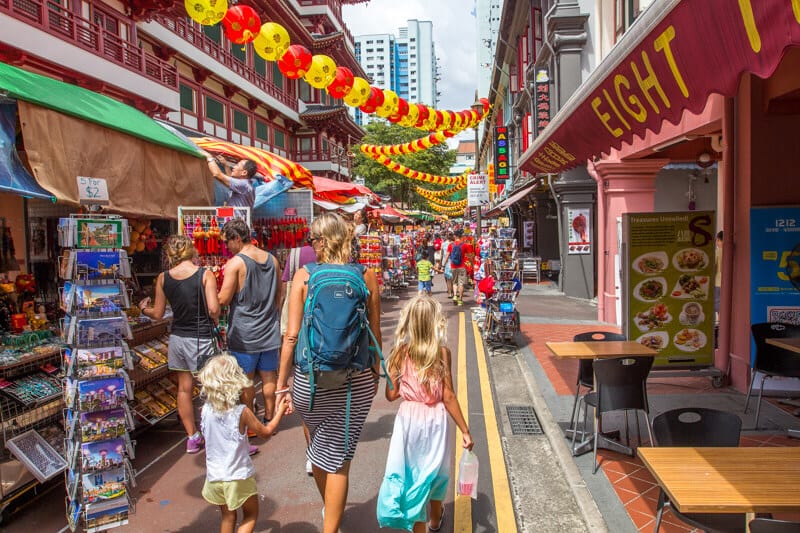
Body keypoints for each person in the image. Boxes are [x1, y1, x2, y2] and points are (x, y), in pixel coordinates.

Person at [277, 212, 381, 533]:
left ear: (320, 242)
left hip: (310, 379)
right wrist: (375, 375)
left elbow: (291, 336)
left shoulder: (304, 277)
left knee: (319, 451)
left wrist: (281, 384)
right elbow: (375, 332)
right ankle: (331, 522)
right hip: (356, 380)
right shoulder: (366, 276)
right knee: (338, 456)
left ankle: (330, 517)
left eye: (312, 239)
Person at [376, 295, 473, 532]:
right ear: (434, 323)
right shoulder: (442, 353)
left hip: (408, 422)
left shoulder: (400, 352)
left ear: (408, 322)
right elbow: (448, 395)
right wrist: (465, 430)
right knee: (436, 472)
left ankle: (419, 524)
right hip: (436, 421)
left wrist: (397, 378)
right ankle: (435, 520)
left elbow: (391, 395)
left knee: (414, 480)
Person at [138, 235, 219, 454]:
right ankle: (217, 434)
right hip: (200, 338)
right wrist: (217, 316)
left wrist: (142, 308)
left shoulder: (163, 278)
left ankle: (192, 437)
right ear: (191, 251)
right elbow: (213, 308)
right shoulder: (205, 275)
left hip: (177, 339)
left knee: (184, 388)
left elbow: (157, 313)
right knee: (212, 387)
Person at [197, 355, 286, 533]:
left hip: (215, 476)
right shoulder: (241, 412)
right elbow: (265, 432)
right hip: (237, 475)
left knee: (228, 517)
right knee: (251, 514)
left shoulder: (205, 410)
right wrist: (280, 412)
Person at [218, 219, 283, 432]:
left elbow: (224, 299)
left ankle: (251, 422)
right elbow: (278, 296)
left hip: (245, 333)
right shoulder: (272, 260)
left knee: (245, 380)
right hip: (269, 329)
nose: (226, 247)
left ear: (237, 238)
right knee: (268, 375)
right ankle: (270, 416)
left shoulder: (236, 263)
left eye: (227, 242)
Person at [280, 238, 317, 475]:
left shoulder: (295, 259)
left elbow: (291, 335)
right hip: (333, 350)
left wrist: (282, 381)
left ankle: (312, 453)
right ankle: (331, 454)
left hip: (302, 343)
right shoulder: (343, 258)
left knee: (307, 404)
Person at [449, 230, 467, 306]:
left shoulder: (451, 245)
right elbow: (469, 256)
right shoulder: (464, 245)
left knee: (454, 283)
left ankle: (455, 296)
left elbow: (447, 255)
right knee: (461, 283)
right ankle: (460, 300)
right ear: (461, 236)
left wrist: (442, 265)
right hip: (462, 266)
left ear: (455, 236)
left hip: (453, 266)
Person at [440, 232, 454, 299]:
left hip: (446, 262)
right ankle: (452, 291)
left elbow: (442, 254)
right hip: (452, 261)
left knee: (448, 278)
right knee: (452, 278)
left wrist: (441, 263)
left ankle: (450, 292)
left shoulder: (443, 244)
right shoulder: (454, 244)